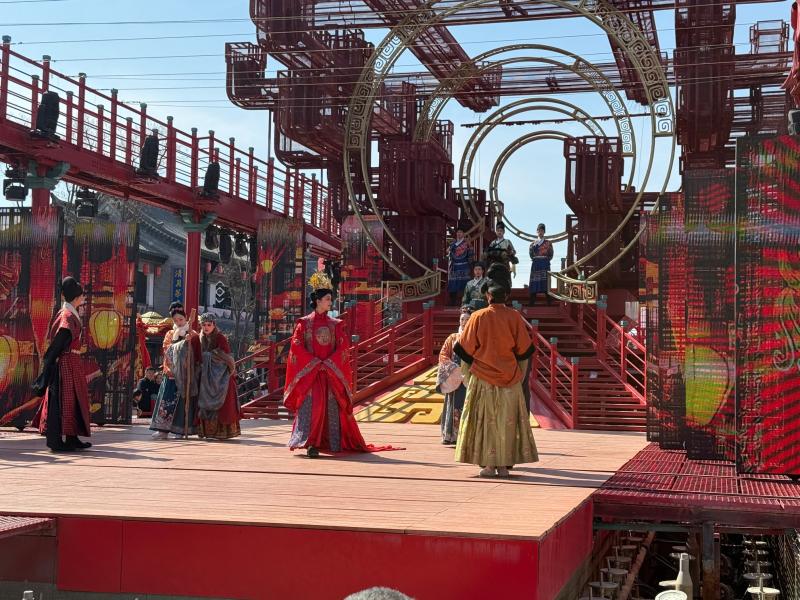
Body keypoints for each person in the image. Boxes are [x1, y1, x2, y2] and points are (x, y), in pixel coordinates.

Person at [284, 271, 398, 457]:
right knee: (313, 407)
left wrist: (328, 363)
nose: (331, 302)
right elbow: (296, 347)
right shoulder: (303, 324)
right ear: (318, 301)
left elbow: (343, 347)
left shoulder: (335, 325)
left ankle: (332, 442)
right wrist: (315, 362)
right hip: (311, 375)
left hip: (330, 374)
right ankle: (310, 443)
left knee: (331, 408)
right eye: (328, 299)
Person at [453, 265, 538, 477]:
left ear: (487, 295)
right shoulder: (514, 317)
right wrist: (518, 376)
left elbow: (464, 350)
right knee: (507, 423)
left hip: (482, 379)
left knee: (485, 423)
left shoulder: (477, 317)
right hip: (510, 378)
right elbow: (525, 352)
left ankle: (489, 466)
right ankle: (504, 465)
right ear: (506, 296)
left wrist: (468, 376)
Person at [30, 277, 92, 453]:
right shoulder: (67, 315)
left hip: (71, 363)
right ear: (76, 297)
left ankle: (72, 438)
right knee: (60, 402)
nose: (83, 298)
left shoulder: (69, 313)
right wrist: (49, 362)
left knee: (73, 401)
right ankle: (55, 441)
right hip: (64, 365)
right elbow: (59, 342)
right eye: (82, 295)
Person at [149, 305, 201, 439]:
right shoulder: (170, 334)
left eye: (181, 319)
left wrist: (190, 342)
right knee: (166, 401)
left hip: (186, 375)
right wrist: (182, 343)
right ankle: (162, 430)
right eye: (176, 320)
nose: (179, 322)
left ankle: (181, 430)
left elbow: (197, 354)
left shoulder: (193, 334)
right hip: (171, 373)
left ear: (186, 318)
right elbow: (167, 350)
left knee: (183, 403)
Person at [197, 313, 242, 440]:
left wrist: (208, 356)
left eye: (209, 325)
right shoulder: (200, 337)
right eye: (203, 325)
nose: (206, 327)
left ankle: (223, 433)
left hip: (222, 377)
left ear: (214, 325)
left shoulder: (220, 337)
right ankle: (207, 432)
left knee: (223, 406)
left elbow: (225, 357)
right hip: (206, 378)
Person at [437, 312, 470, 445]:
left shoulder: (475, 337)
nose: (464, 322)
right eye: (462, 319)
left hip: (469, 375)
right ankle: (451, 435)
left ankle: (467, 436)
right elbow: (443, 355)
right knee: (453, 404)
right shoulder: (452, 338)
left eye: (467, 319)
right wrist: (454, 369)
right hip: (455, 375)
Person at [446, 225, 474, 306]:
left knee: (464, 284)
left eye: (461, 232)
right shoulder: (453, 244)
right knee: (453, 283)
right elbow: (447, 252)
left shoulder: (466, 244)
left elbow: (471, 253)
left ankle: (465, 302)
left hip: (464, 266)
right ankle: (452, 302)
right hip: (454, 266)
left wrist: (470, 262)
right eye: (458, 232)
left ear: (463, 234)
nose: (459, 234)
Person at [529, 223, 554, 306]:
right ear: (537, 231)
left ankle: (549, 302)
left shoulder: (548, 243)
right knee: (534, 283)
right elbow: (531, 255)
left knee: (546, 283)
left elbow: (551, 254)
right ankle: (532, 302)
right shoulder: (532, 244)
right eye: (539, 230)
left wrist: (544, 259)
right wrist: (537, 258)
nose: (540, 232)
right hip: (536, 264)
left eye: (542, 230)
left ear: (544, 232)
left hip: (545, 264)